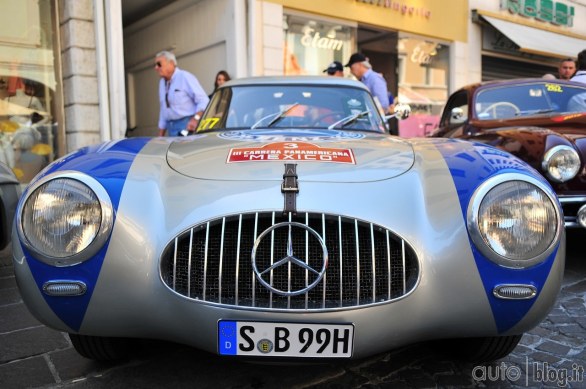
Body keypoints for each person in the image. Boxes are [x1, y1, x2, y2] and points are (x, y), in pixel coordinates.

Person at [155, 51, 209, 136]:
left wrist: (196, 119)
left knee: (185, 149)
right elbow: (164, 109)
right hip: (170, 128)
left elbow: (204, 100)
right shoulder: (162, 83)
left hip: (186, 126)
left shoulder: (185, 77)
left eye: (159, 64)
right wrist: (160, 135)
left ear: (171, 63)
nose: (156, 68)